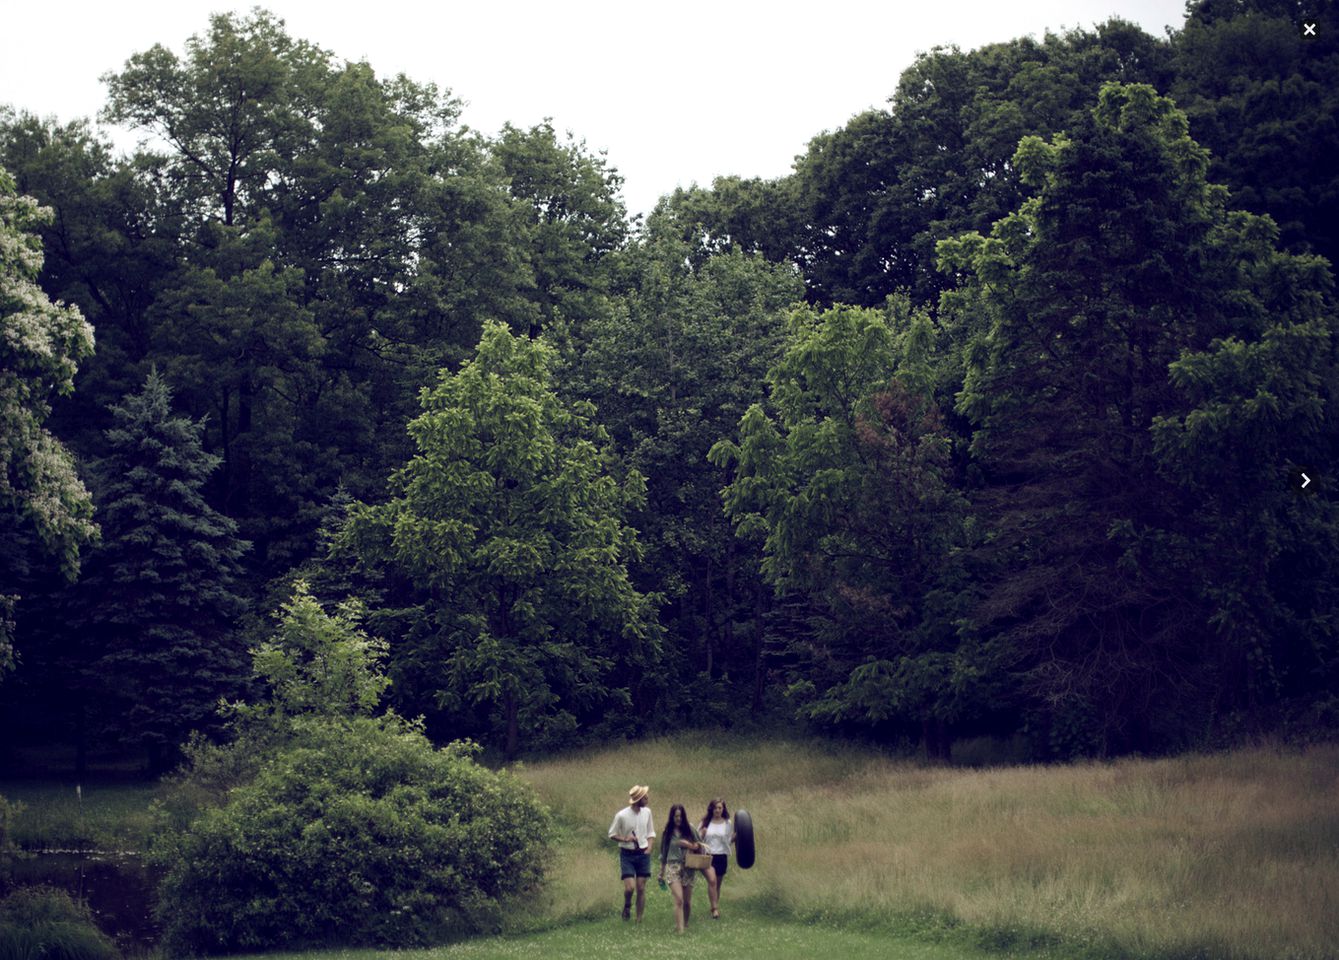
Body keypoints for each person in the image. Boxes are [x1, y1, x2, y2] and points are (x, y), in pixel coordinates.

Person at [608, 784, 655, 922]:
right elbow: (612, 834)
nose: (647, 798)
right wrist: (625, 838)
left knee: (641, 887)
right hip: (627, 854)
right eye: (645, 797)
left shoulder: (647, 812)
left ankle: (639, 919)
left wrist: (649, 848)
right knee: (630, 888)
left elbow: (651, 832)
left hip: (643, 854)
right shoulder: (621, 815)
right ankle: (627, 905)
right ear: (638, 800)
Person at [657, 803, 706, 933]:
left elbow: (700, 845)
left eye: (680, 816)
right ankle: (680, 930)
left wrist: (688, 845)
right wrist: (661, 872)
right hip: (673, 866)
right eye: (676, 816)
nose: (678, 819)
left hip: (688, 866)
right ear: (672, 817)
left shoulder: (690, 828)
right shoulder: (667, 832)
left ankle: (685, 923)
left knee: (687, 902)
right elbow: (663, 853)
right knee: (679, 899)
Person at [699, 797, 736, 919]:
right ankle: (714, 909)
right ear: (711, 809)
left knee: (717, 885)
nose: (717, 810)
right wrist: (702, 834)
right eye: (715, 808)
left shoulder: (727, 823)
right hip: (708, 856)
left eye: (720, 808)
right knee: (712, 881)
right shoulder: (705, 822)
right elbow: (697, 839)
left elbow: (728, 841)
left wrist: (736, 837)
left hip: (722, 856)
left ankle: (714, 905)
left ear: (723, 809)